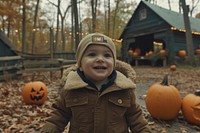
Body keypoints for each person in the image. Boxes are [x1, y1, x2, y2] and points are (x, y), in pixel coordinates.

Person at [41, 33, 152, 133]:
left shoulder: (124, 90)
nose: (100, 59)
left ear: (113, 63)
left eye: (107, 55)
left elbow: (136, 118)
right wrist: (50, 127)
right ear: (80, 64)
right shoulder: (71, 89)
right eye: (92, 54)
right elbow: (59, 114)